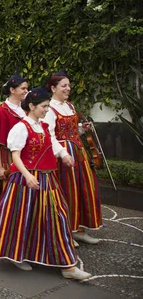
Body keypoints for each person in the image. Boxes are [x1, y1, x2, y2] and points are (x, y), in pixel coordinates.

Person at [0, 87, 91, 280]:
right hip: (25, 182)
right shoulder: (20, 127)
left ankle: (67, 266)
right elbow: (15, 155)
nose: (46, 110)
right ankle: (16, 254)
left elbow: (51, 143)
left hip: (47, 178)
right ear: (32, 106)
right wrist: (27, 175)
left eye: (47, 106)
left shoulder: (43, 126)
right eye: (44, 106)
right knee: (21, 218)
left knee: (57, 216)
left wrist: (64, 154)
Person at [44, 70, 103, 245]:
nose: (68, 88)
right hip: (64, 156)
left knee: (83, 189)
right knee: (68, 191)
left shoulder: (69, 106)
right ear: (53, 88)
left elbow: (72, 131)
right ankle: (66, 231)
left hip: (78, 151)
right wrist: (62, 154)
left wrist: (82, 128)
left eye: (69, 85)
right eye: (64, 86)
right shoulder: (50, 109)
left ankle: (80, 228)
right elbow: (50, 135)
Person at [0, 74, 28, 222]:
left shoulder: (26, 110)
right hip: (7, 158)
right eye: (23, 88)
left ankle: (18, 224)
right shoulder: (1, 111)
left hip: (24, 157)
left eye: (26, 88)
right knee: (3, 192)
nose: (26, 91)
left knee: (21, 192)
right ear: (12, 90)